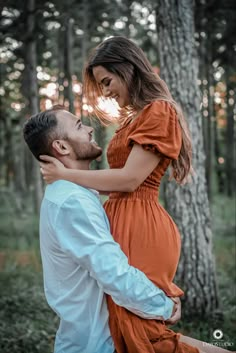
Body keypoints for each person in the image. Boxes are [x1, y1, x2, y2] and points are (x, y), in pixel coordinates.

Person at [39, 37, 230, 353]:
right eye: (101, 86)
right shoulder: (135, 117)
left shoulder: (159, 111)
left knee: (142, 335)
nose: (106, 92)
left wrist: (63, 174)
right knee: (128, 330)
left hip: (141, 223)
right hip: (124, 219)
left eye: (107, 81)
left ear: (128, 69)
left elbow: (129, 180)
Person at [23, 107, 182, 353]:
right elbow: (114, 273)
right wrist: (165, 306)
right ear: (62, 147)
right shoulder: (72, 201)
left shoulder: (77, 193)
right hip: (99, 343)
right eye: (78, 126)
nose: (89, 129)